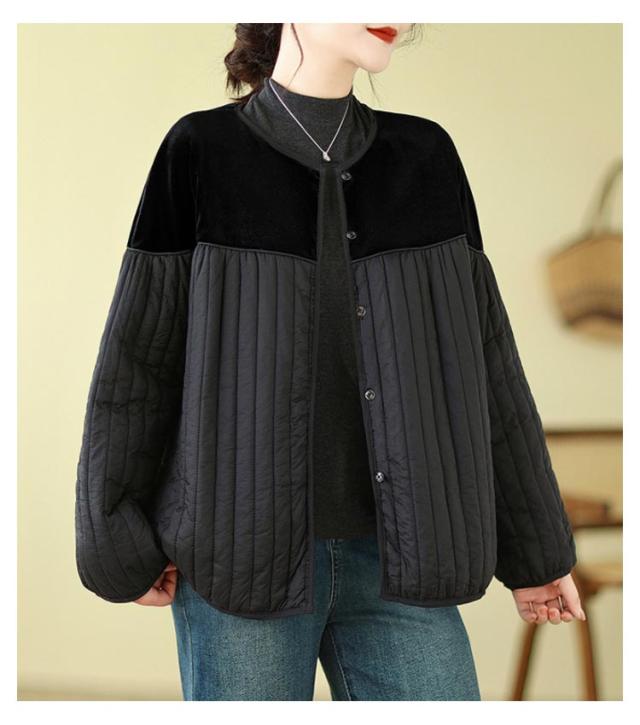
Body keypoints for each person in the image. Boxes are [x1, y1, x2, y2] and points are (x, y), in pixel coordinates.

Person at [74, 23, 585, 701]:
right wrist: (117, 538)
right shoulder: (200, 151)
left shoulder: (425, 156)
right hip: (242, 559)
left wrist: (536, 551)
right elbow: (137, 364)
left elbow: (486, 364)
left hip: (405, 561)